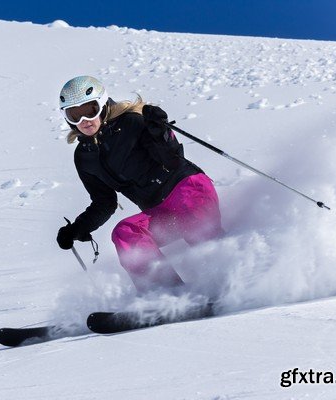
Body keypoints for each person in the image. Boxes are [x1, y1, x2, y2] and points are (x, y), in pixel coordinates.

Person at [56, 76, 224, 293]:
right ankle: (166, 294)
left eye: (90, 109)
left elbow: (172, 160)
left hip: (189, 190)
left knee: (197, 229)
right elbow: (104, 202)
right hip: (161, 212)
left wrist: (160, 132)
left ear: (103, 103)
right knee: (125, 232)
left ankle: (232, 276)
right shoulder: (85, 157)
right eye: (75, 114)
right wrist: (79, 228)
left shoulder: (132, 124)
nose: (85, 120)